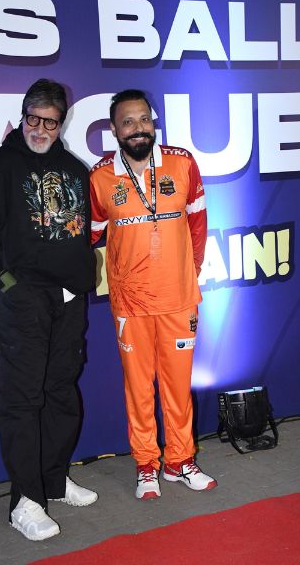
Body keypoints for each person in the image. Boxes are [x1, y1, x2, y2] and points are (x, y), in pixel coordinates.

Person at [0, 78, 98, 541]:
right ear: (22, 117)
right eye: (33, 119)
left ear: (62, 124)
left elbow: (81, 233)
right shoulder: (0, 166)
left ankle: (53, 482)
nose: (41, 129)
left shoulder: (75, 169)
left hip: (69, 302)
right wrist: (9, 285)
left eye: (50, 122)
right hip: (23, 304)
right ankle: (25, 501)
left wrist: (82, 278)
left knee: (61, 393)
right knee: (22, 401)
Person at [89, 89, 217, 500]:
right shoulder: (100, 176)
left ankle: (180, 460)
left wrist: (187, 271)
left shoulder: (181, 163)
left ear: (153, 122)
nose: (138, 128)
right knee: (139, 388)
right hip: (130, 304)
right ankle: (147, 464)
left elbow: (198, 222)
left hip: (178, 298)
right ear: (114, 130)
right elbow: (89, 236)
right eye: (128, 122)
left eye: (144, 119)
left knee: (178, 386)